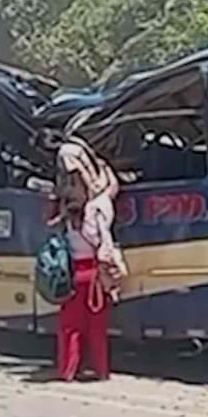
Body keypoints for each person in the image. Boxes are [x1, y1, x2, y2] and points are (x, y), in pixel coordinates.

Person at [51, 138, 125, 382]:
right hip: (96, 277)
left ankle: (68, 371)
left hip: (75, 275)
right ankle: (101, 372)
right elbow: (112, 187)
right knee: (97, 329)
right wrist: (104, 168)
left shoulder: (64, 211)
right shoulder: (98, 207)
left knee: (70, 328)